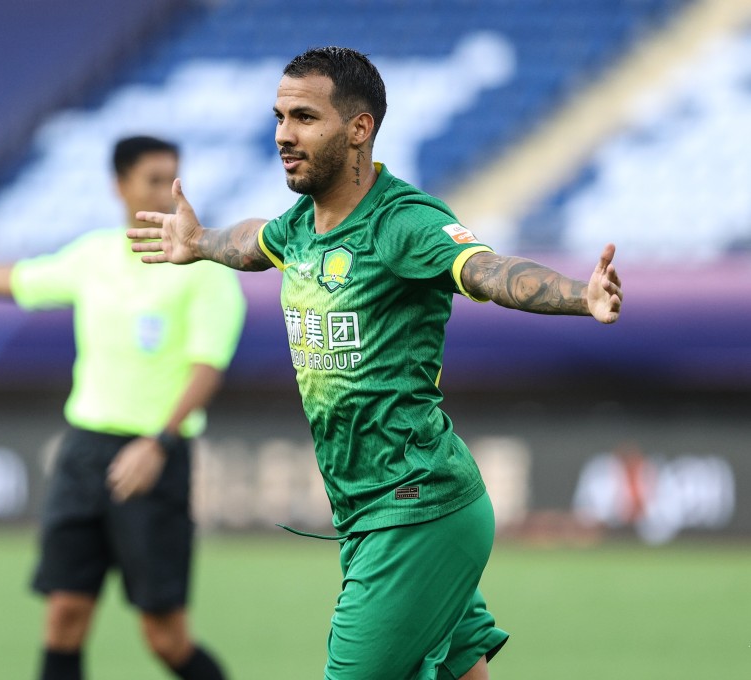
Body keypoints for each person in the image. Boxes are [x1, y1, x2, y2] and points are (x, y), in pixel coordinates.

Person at [127, 48, 623, 680]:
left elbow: (489, 271)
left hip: (416, 508)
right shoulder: (303, 225)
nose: (284, 133)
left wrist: (580, 296)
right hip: (372, 511)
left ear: (359, 129)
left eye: (304, 117)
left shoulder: (403, 223)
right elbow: (254, 243)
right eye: (279, 116)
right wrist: (198, 244)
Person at [0, 136, 245, 680]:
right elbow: (23, 279)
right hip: (84, 453)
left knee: (165, 638)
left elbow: (206, 368)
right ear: (119, 186)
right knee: (64, 618)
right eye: (151, 179)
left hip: (153, 458)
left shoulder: (205, 270)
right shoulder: (95, 255)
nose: (165, 193)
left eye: (172, 179)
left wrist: (159, 444)